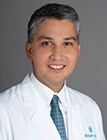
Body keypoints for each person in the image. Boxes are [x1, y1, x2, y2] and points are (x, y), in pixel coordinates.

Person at [0, 3, 106, 140]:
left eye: (67, 44)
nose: (57, 55)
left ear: (77, 52)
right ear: (29, 50)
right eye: (47, 43)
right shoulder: (3, 110)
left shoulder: (90, 108)